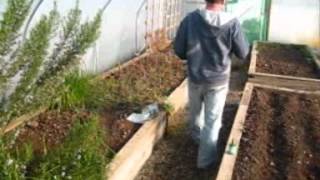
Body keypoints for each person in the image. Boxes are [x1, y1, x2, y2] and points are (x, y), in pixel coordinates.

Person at [174, 0, 249, 169]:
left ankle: (197, 141)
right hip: (218, 81)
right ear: (223, 1)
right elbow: (243, 52)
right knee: (212, 122)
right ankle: (205, 162)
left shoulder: (190, 19)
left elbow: (179, 50)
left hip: (195, 77)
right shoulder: (232, 23)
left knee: (195, 113)